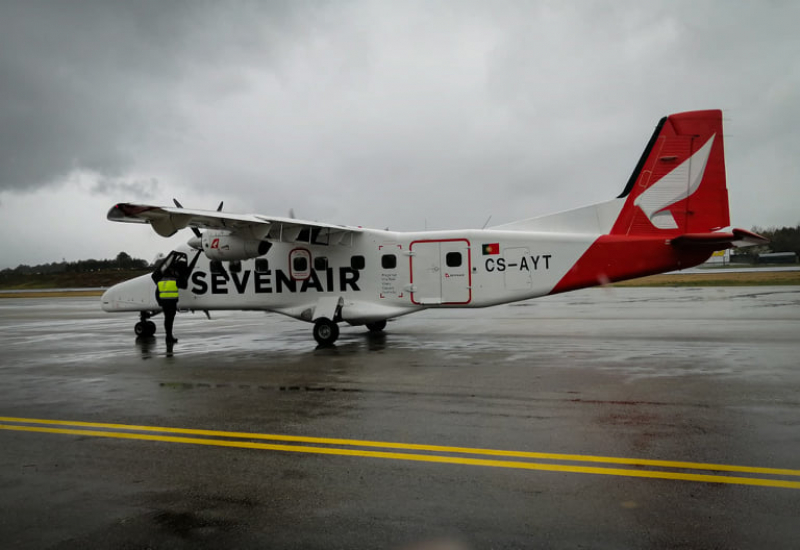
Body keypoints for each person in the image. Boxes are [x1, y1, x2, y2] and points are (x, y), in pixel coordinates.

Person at [156, 267, 180, 343]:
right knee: (170, 320)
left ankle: (168, 336)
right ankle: (169, 337)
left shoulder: (160, 282)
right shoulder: (174, 281)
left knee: (167, 319)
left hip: (164, 303)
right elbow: (184, 284)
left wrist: (160, 302)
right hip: (172, 303)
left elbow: (157, 294)